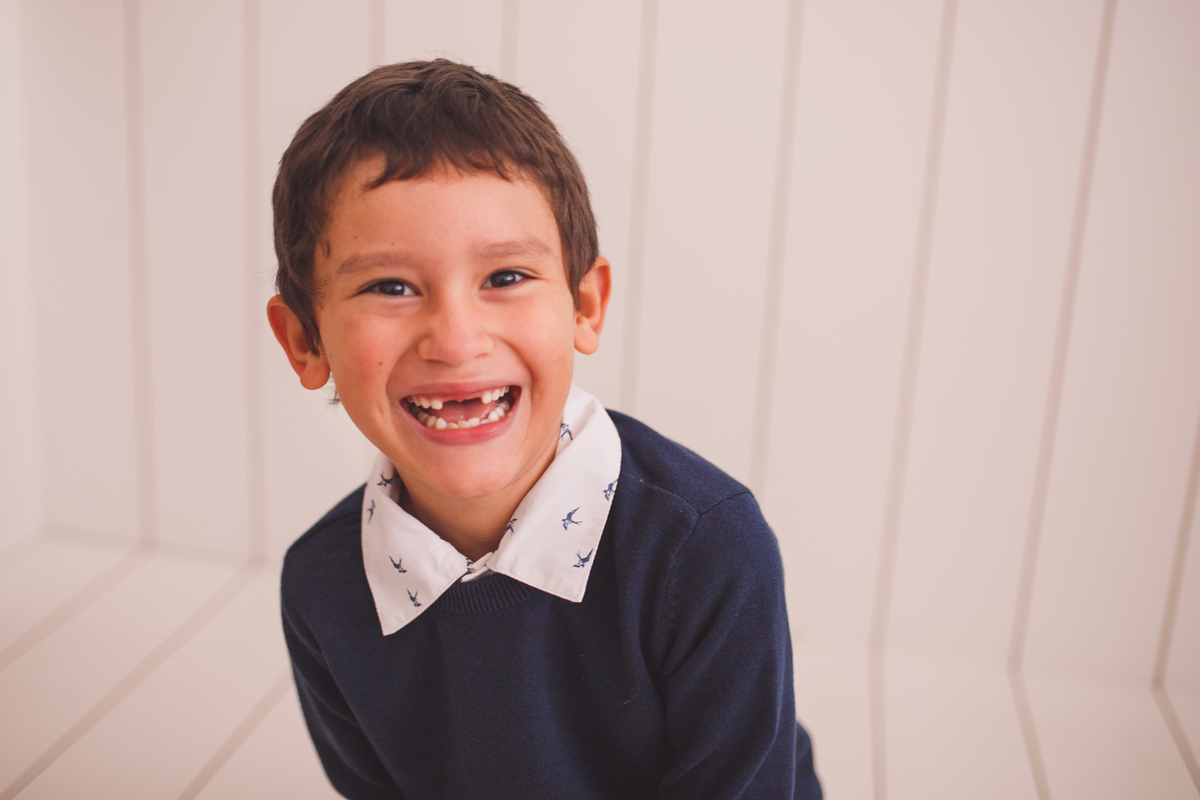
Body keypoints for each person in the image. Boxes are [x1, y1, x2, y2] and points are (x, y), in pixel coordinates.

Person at [266, 59, 821, 799]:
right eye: (390, 287)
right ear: (305, 341)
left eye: (504, 278)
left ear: (585, 305)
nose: (456, 340)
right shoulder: (321, 585)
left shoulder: (708, 550)